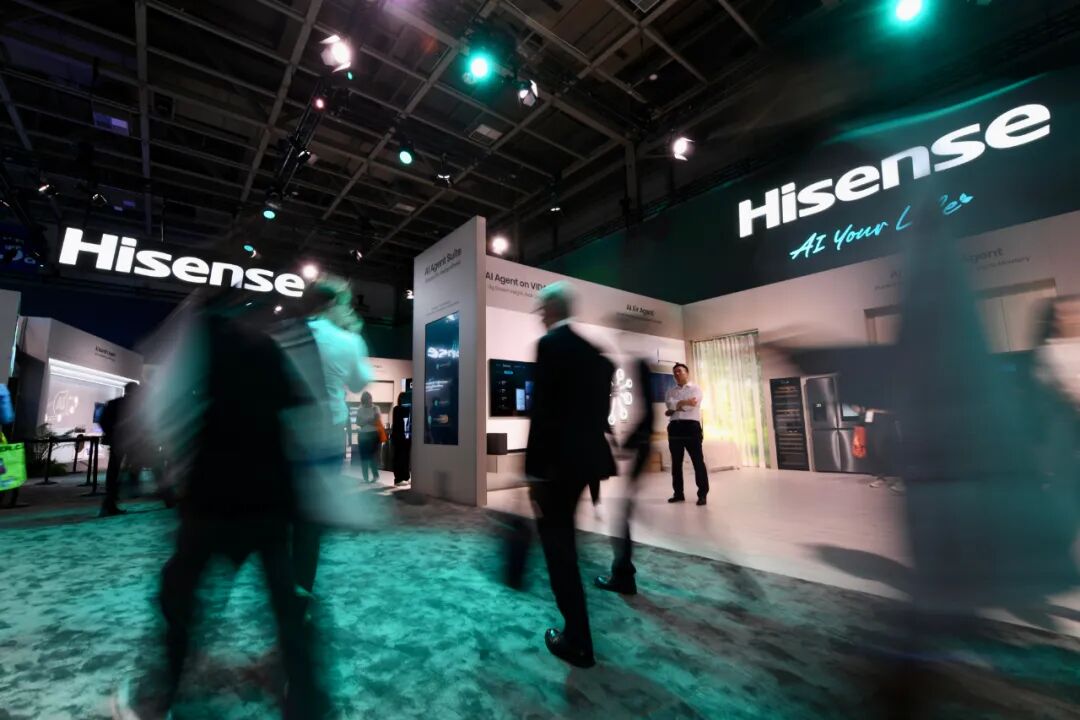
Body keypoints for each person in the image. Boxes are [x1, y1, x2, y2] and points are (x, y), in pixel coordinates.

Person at [113, 295, 330, 720]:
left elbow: (163, 410)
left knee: (181, 596)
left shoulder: (203, 332)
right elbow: (305, 413)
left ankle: (159, 695)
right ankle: (306, 699)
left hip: (213, 496)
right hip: (269, 498)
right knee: (284, 604)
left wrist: (173, 471)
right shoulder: (276, 345)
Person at [526, 282, 615, 669]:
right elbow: (599, 413)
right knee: (565, 544)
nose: (539, 316)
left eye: (541, 309)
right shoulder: (595, 353)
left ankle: (577, 640)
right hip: (588, 461)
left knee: (558, 549)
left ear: (552, 309)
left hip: (557, 465)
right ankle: (577, 633)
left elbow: (543, 412)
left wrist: (533, 470)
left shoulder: (550, 346)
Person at [595, 356, 654, 596]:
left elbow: (646, 419)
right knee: (621, 514)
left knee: (620, 515)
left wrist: (624, 445)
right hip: (638, 452)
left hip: (638, 452)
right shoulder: (639, 373)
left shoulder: (637, 369)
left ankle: (623, 575)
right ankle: (623, 572)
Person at [99, 381, 140, 517]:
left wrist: (112, 433)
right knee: (128, 469)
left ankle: (110, 501)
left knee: (114, 472)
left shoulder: (113, 403)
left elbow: (102, 421)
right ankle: (112, 500)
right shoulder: (137, 406)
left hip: (117, 442)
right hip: (132, 442)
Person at [354, 391, 381, 483]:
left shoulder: (375, 408)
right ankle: (365, 477)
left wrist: (365, 421)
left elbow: (376, 421)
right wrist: (369, 420)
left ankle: (375, 475)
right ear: (363, 400)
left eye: (370, 399)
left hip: (373, 434)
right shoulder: (360, 409)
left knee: (372, 456)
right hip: (363, 435)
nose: (369, 401)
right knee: (364, 457)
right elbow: (358, 422)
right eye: (366, 400)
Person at [391, 391, 411, 484]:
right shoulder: (399, 409)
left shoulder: (397, 409)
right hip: (400, 437)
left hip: (402, 437)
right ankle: (399, 478)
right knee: (400, 457)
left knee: (404, 457)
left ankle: (405, 477)